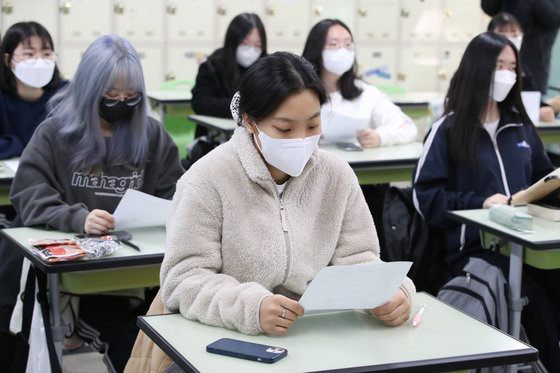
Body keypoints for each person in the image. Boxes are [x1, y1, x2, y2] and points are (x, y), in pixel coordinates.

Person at [160, 51, 415, 338]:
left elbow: (359, 260)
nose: (301, 139)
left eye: (313, 125)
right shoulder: (207, 179)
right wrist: (251, 308)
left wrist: (394, 292)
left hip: (312, 334)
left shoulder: (336, 176)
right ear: (250, 122)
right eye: (284, 129)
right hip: (228, 337)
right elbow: (183, 279)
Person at [8, 35, 184, 372]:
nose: (120, 102)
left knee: (171, 339)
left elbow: (177, 191)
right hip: (84, 287)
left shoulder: (151, 135)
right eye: (111, 96)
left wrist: (169, 211)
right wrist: (78, 218)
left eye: (130, 96)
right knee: (128, 341)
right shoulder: (55, 135)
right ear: (89, 91)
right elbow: (28, 194)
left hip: (142, 272)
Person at [413, 32, 560, 372]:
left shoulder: (521, 127)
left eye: (512, 67)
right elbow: (425, 197)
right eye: (499, 66)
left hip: (529, 246)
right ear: (478, 69)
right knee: (535, 305)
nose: (507, 75)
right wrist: (480, 203)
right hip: (477, 251)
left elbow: (543, 178)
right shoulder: (448, 129)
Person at [302, 19, 417, 148]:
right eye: (334, 44)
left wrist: (380, 137)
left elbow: (407, 127)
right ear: (316, 50)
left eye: (347, 44)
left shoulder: (366, 92)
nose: (343, 51)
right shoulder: (298, 92)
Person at [0, 21, 66, 161]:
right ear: (8, 60)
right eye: (29, 54)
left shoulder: (66, 94)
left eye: (46, 53)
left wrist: (13, 145)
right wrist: (15, 146)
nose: (39, 61)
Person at [191, 12, 267, 121]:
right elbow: (200, 103)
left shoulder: (266, 68)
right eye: (245, 44)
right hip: (217, 134)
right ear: (233, 42)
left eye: (257, 45)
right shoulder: (212, 67)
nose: (251, 50)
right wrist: (242, 106)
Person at [488, 12, 556, 122]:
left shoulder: (524, 71)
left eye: (514, 35)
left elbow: (534, 100)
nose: (509, 39)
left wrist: (546, 109)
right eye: (499, 66)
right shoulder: (475, 67)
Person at [481, 0, 560, 95]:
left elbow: (554, 18)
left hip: (534, 65)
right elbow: (488, 7)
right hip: (498, 65)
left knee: (530, 105)